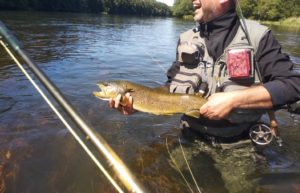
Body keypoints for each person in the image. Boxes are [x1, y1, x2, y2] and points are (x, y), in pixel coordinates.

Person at [110, 0, 300, 143]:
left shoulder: (260, 37)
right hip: (189, 137)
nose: (193, 0)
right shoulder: (186, 39)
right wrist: (140, 103)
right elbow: (170, 86)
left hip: (240, 143)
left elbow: (292, 85)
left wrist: (234, 100)